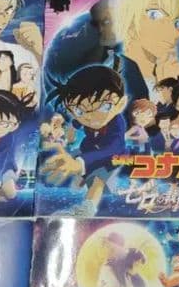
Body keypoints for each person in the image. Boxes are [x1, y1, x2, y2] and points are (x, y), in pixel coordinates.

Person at [41, 61, 128, 216]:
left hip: (114, 157)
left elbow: (113, 147)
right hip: (88, 149)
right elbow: (77, 122)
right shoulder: (85, 119)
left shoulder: (117, 123)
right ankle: (75, 175)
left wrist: (81, 163)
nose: (90, 117)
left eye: (104, 106)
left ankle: (87, 208)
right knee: (69, 158)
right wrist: (71, 130)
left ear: (121, 104)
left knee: (97, 180)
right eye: (79, 110)